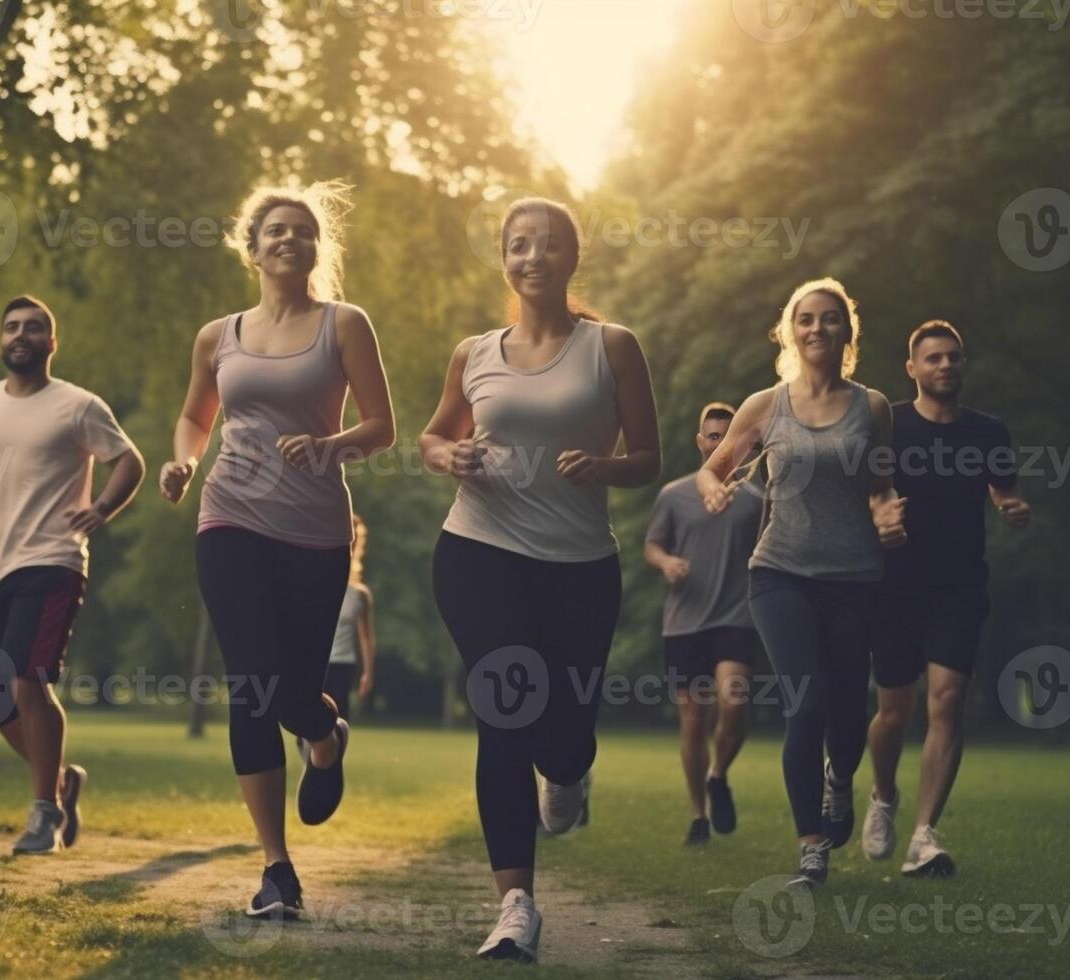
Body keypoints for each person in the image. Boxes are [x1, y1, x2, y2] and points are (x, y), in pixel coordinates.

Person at [421, 197, 660, 962]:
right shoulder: (474, 353)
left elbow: (650, 458)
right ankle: (515, 905)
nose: (532, 257)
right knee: (503, 711)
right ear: (503, 258)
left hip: (579, 568)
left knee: (561, 738)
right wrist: (445, 456)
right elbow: (434, 433)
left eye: (547, 245)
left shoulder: (611, 346)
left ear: (571, 258)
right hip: (476, 550)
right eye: (518, 245)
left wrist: (605, 467)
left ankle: (568, 770)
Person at [159, 181, 395, 921]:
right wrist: (183, 462)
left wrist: (330, 444)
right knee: (251, 688)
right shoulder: (217, 335)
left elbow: (382, 427)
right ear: (252, 247)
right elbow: (195, 417)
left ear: (315, 247)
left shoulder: (343, 324)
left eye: (302, 231)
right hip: (228, 517)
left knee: (291, 687)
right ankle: (276, 868)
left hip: (315, 530)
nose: (289, 239)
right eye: (275, 231)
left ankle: (323, 735)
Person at [696, 278, 906, 888]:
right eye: (806, 319)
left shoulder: (873, 407)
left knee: (846, 710)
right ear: (790, 330)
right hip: (779, 572)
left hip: (854, 578)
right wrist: (715, 490)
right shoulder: (765, 405)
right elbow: (713, 471)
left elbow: (880, 483)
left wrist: (888, 513)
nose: (818, 328)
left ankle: (840, 780)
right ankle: (811, 845)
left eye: (831, 319)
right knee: (805, 704)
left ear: (847, 331)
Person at [0, 295, 145, 854]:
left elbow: (129, 460)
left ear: (51, 341)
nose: (21, 334)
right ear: (2, 340)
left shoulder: (78, 405)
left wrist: (103, 509)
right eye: (12, 326)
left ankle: (42, 812)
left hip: (53, 559)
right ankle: (63, 780)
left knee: (27, 679)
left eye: (34, 327)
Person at [861, 320, 1031, 876]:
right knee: (893, 711)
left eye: (953, 357)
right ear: (912, 368)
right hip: (894, 586)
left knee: (947, 700)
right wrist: (879, 513)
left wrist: (1013, 507)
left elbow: (1004, 489)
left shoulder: (988, 431)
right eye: (933, 358)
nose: (945, 366)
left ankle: (924, 837)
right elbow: (867, 490)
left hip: (959, 587)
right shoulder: (887, 424)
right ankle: (883, 796)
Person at [644, 401, 762, 846]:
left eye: (727, 436)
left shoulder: (757, 500)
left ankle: (719, 773)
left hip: (738, 615)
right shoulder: (673, 495)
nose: (719, 443)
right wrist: (667, 562)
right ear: (701, 442)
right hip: (685, 622)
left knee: (734, 702)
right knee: (693, 718)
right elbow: (651, 547)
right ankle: (698, 815)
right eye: (712, 436)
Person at [323, 513, 376, 722]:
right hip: (316, 663)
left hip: (343, 665)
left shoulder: (360, 595)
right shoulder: (315, 586)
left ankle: (336, 754)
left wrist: (368, 674)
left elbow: (366, 637)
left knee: (338, 720)